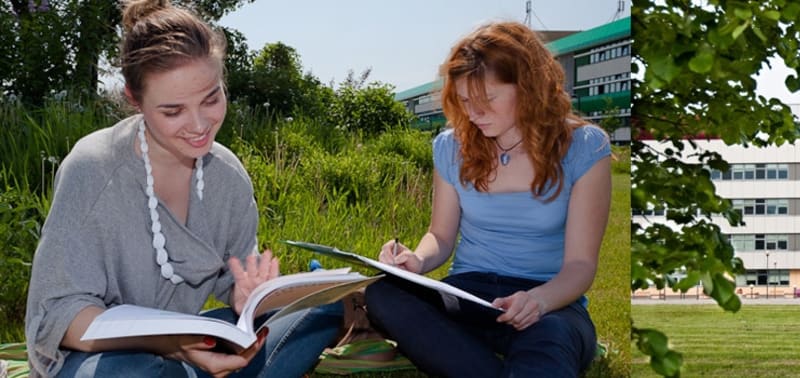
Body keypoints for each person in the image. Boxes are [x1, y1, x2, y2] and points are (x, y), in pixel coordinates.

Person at [24, 1, 342, 376]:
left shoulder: (227, 176)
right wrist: (170, 346)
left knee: (319, 311)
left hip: (187, 347)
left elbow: (233, 280)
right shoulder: (94, 167)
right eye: (172, 111)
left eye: (211, 98)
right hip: (102, 357)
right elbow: (57, 314)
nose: (198, 125)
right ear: (134, 99)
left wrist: (248, 296)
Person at [362, 21, 612, 377]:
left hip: (547, 301)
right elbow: (442, 236)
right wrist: (416, 260)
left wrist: (539, 301)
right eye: (464, 101)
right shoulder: (450, 147)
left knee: (551, 337)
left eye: (487, 100)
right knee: (384, 295)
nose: (473, 114)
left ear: (527, 87)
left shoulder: (585, 146)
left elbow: (580, 266)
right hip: (468, 296)